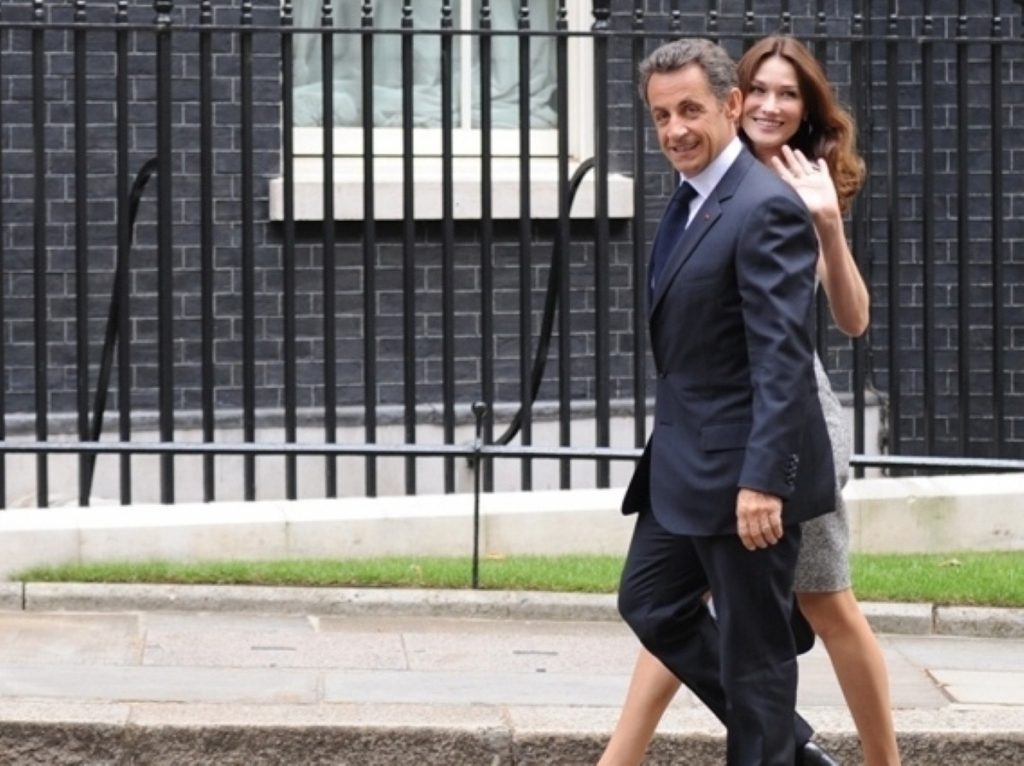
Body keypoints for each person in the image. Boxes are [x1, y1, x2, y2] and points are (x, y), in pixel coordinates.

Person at [598, 35, 902, 766]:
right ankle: (791, 750)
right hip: (696, 451)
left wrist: (764, 477)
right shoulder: (699, 191)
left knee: (807, 614)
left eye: (691, 110)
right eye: (661, 116)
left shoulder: (777, 201)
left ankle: (869, 758)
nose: (674, 129)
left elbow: (791, 352)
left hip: (770, 442)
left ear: (726, 106)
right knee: (655, 602)